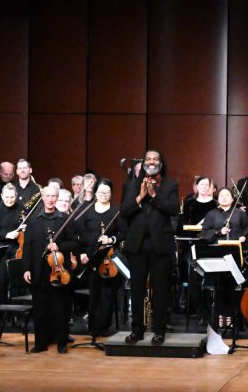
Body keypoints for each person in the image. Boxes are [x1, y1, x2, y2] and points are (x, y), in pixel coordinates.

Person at [121, 150, 180, 345]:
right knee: (137, 289)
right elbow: (124, 211)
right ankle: (137, 329)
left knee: (160, 290)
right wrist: (140, 197)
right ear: (143, 162)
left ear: (161, 163)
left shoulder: (170, 184)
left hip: (160, 245)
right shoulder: (131, 185)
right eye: (148, 159)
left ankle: (159, 330)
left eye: (156, 159)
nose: (152, 162)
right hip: (137, 245)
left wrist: (154, 195)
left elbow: (172, 209)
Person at [20, 185, 79, 353]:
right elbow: (27, 248)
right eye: (48, 196)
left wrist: (59, 245)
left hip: (59, 270)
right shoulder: (33, 220)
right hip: (39, 271)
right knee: (40, 310)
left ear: (57, 197)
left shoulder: (65, 219)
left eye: (54, 196)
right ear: (43, 197)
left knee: (60, 309)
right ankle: (41, 343)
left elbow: (75, 242)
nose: (51, 199)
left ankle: (61, 343)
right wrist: (26, 269)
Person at [77, 181, 127, 341]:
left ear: (111, 194)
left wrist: (111, 238)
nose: (103, 195)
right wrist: (87, 248)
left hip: (109, 257)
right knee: (94, 294)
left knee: (107, 294)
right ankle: (93, 327)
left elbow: (124, 233)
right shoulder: (87, 211)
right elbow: (80, 234)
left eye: (107, 192)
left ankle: (103, 327)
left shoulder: (116, 210)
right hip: (92, 256)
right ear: (95, 193)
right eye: (100, 192)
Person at [200, 187, 248, 328]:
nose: (224, 197)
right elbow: (204, 234)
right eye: (221, 195)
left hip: (235, 255)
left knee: (231, 285)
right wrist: (218, 232)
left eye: (227, 195)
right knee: (219, 285)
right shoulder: (212, 214)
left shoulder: (240, 214)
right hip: (217, 255)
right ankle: (219, 316)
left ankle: (232, 317)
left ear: (232, 198)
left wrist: (243, 237)